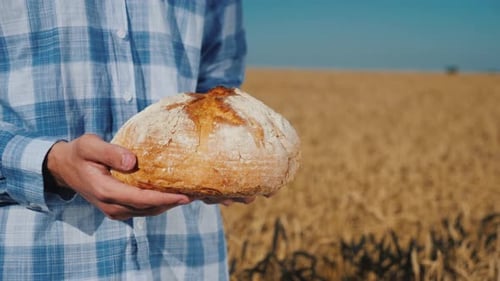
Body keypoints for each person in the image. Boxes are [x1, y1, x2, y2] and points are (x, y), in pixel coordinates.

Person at [0, 1, 248, 280]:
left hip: (189, 260)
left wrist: (231, 157)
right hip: (44, 260)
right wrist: (51, 163)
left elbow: (219, 85)